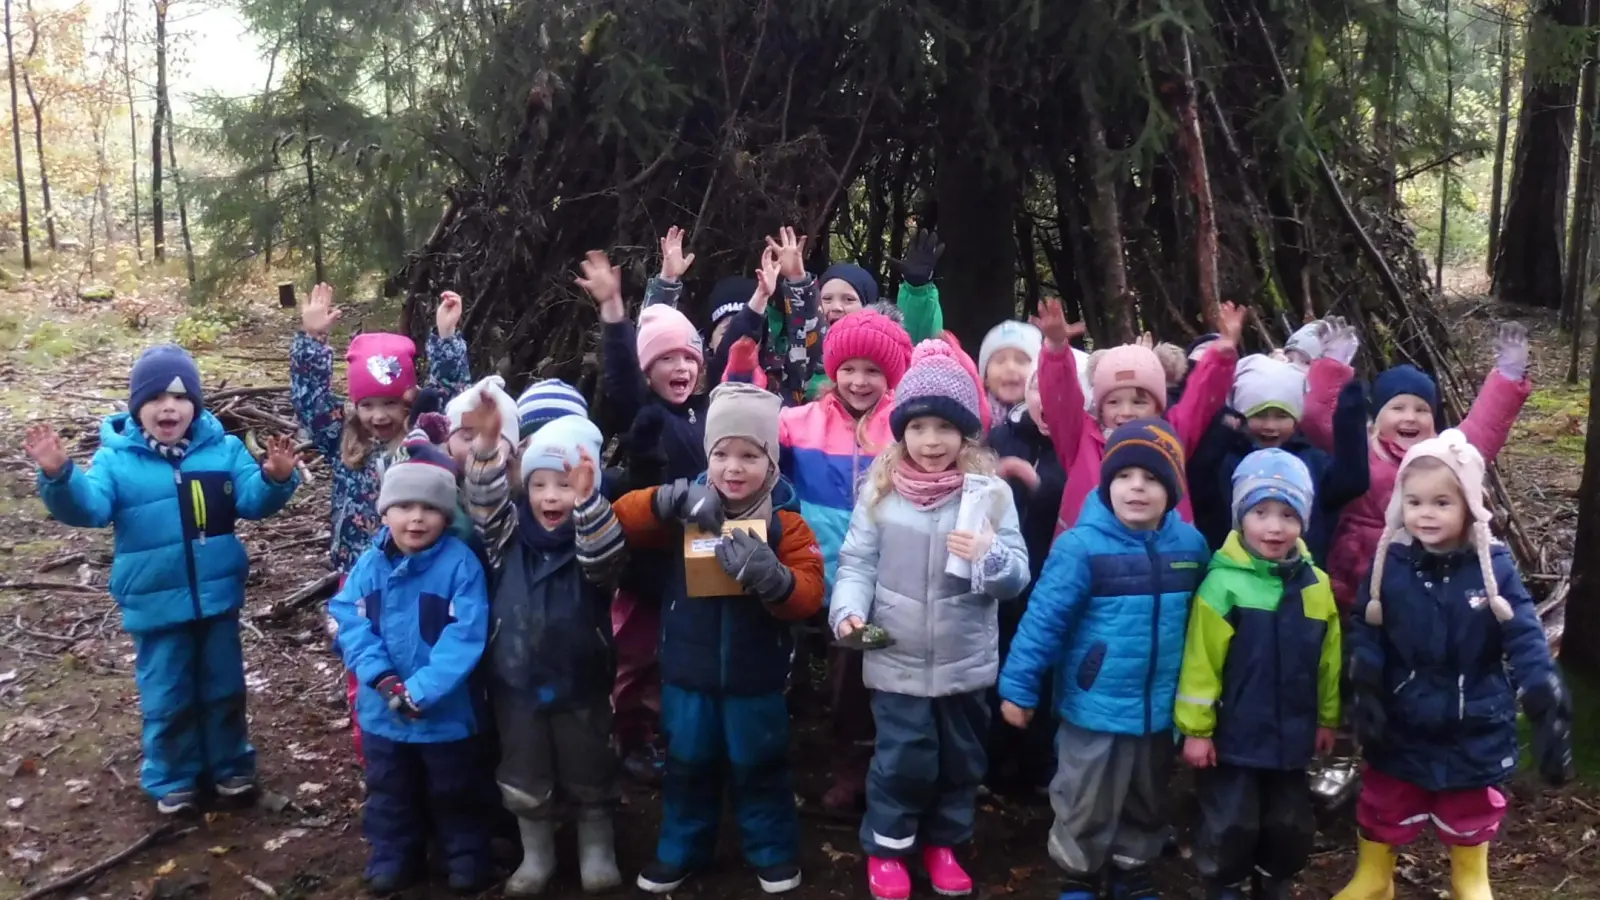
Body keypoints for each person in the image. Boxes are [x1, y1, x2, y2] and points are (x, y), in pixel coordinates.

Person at [26, 344, 300, 815]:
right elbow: (89, 508)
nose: (167, 407)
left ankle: (231, 765)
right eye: (154, 398)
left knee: (224, 686)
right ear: (137, 408)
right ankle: (173, 776)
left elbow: (252, 503)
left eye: (178, 396)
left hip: (217, 596)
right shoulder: (118, 461)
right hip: (154, 603)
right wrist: (59, 475)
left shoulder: (224, 450)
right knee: (167, 692)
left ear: (194, 404)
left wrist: (275, 479)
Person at [577, 382, 826, 895]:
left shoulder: (788, 526)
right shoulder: (685, 514)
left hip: (756, 681)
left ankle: (772, 851)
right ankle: (681, 848)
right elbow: (622, 517)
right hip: (687, 676)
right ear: (707, 457)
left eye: (750, 455)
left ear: (772, 464)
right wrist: (671, 500)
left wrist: (775, 579)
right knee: (688, 765)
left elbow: (809, 595)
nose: (734, 468)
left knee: (761, 765)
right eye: (722, 454)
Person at [830, 339, 1031, 900]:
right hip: (896, 656)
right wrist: (848, 612)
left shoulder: (990, 495)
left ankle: (945, 842)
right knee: (902, 760)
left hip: (965, 660)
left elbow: (1015, 575)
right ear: (902, 433)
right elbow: (856, 562)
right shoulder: (880, 490)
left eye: (945, 428)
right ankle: (889, 847)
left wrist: (988, 555)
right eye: (919, 428)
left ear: (965, 435)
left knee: (962, 761)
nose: (931, 441)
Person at [1332, 431, 1571, 900]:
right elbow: (1368, 624)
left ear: (1469, 504)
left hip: (1475, 729)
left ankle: (1470, 880)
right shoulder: (1391, 565)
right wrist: (1364, 675)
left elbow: (1522, 631)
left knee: (1469, 829)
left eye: (1442, 502)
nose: (1426, 513)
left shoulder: (1493, 567)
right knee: (1384, 809)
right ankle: (1375, 877)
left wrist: (1543, 690)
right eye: (1415, 501)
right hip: (1402, 725)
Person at [998, 418, 1210, 900]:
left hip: (1159, 708)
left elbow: (1208, 620)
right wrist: (1019, 686)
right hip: (1094, 706)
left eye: (1153, 478)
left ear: (1173, 488)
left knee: (1147, 794)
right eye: (1124, 476)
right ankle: (1079, 873)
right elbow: (1043, 620)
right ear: (1107, 482)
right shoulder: (1081, 547)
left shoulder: (1190, 547)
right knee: (1084, 797)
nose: (1137, 487)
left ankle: (1132, 869)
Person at [460, 398, 623, 896]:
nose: (551, 496)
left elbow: (605, 555)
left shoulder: (593, 537)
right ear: (524, 487)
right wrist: (486, 447)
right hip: (516, 681)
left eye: (563, 486)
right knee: (524, 772)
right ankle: (537, 856)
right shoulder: (506, 538)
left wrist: (590, 501)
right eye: (539, 484)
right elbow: (484, 504)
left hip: (582, 681)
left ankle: (598, 850)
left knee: (589, 767)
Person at [328, 438, 493, 894]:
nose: (415, 518)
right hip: (384, 714)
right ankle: (394, 856)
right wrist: (381, 678)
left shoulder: (461, 566)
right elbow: (348, 620)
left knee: (456, 791)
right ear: (384, 512)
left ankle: (464, 856)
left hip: (445, 715)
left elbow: (466, 635)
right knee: (389, 793)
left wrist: (422, 689)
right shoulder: (369, 565)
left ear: (447, 515)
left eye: (428, 508)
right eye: (403, 507)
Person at [1175, 449, 1342, 900]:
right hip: (1234, 738)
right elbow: (1201, 662)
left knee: (1287, 822)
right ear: (1240, 518)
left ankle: (1274, 880)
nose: (1274, 527)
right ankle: (1225, 884)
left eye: (1288, 514)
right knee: (1231, 821)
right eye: (1261, 512)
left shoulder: (1316, 586)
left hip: (1292, 735)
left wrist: (1327, 718)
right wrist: (1197, 730)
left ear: (1303, 521)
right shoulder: (1223, 585)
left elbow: (1329, 658)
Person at [1298, 319, 1532, 607]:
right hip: (1355, 575)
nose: (1410, 417)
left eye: (1421, 410)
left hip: (1423, 568)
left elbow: (1484, 428)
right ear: (1377, 417)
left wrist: (1509, 375)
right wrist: (1333, 364)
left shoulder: (1442, 452)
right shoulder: (1359, 449)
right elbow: (1319, 418)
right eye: (1397, 408)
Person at [289, 282, 471, 574]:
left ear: (408, 401)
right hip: (357, 569)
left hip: (418, 567)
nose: (379, 415)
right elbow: (310, 399)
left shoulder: (423, 435)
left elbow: (451, 392)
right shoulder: (343, 436)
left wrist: (447, 337)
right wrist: (312, 338)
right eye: (367, 405)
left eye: (390, 403)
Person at [1030, 297, 1244, 531]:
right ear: (1100, 407)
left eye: (1139, 401)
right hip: (1092, 559)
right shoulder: (1080, 440)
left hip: (1164, 556)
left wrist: (1222, 351)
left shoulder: (1171, 436)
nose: (1126, 412)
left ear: (1158, 406)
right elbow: (1060, 397)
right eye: (1113, 402)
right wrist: (1056, 348)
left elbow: (1201, 400)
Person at [1190, 353, 1369, 562]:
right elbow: (1200, 489)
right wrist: (1222, 430)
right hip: (1236, 575)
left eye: (1282, 416)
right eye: (1259, 415)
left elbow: (1352, 482)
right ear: (1240, 415)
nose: (1270, 426)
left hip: (1301, 577)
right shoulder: (1226, 461)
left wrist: (1350, 414)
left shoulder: (1311, 461)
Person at [985, 370, 1064, 794]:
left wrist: (1038, 485)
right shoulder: (1001, 436)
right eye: (1038, 389)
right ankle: (994, 763)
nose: (1046, 401)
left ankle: (1037, 769)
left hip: (1053, 579)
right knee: (999, 663)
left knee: (1045, 670)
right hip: (1003, 577)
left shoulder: (1078, 443)